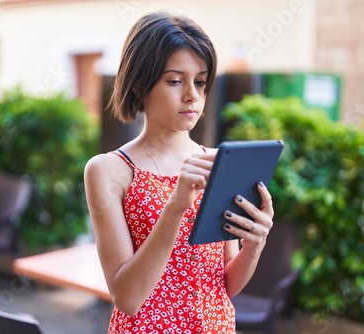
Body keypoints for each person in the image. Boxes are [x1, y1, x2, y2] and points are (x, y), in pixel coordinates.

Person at [84, 11, 274, 334]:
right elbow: (127, 298)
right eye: (175, 81)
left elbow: (224, 285)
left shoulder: (217, 162)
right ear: (140, 85)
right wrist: (176, 206)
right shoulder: (109, 170)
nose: (193, 95)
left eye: (200, 82)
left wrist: (254, 246)